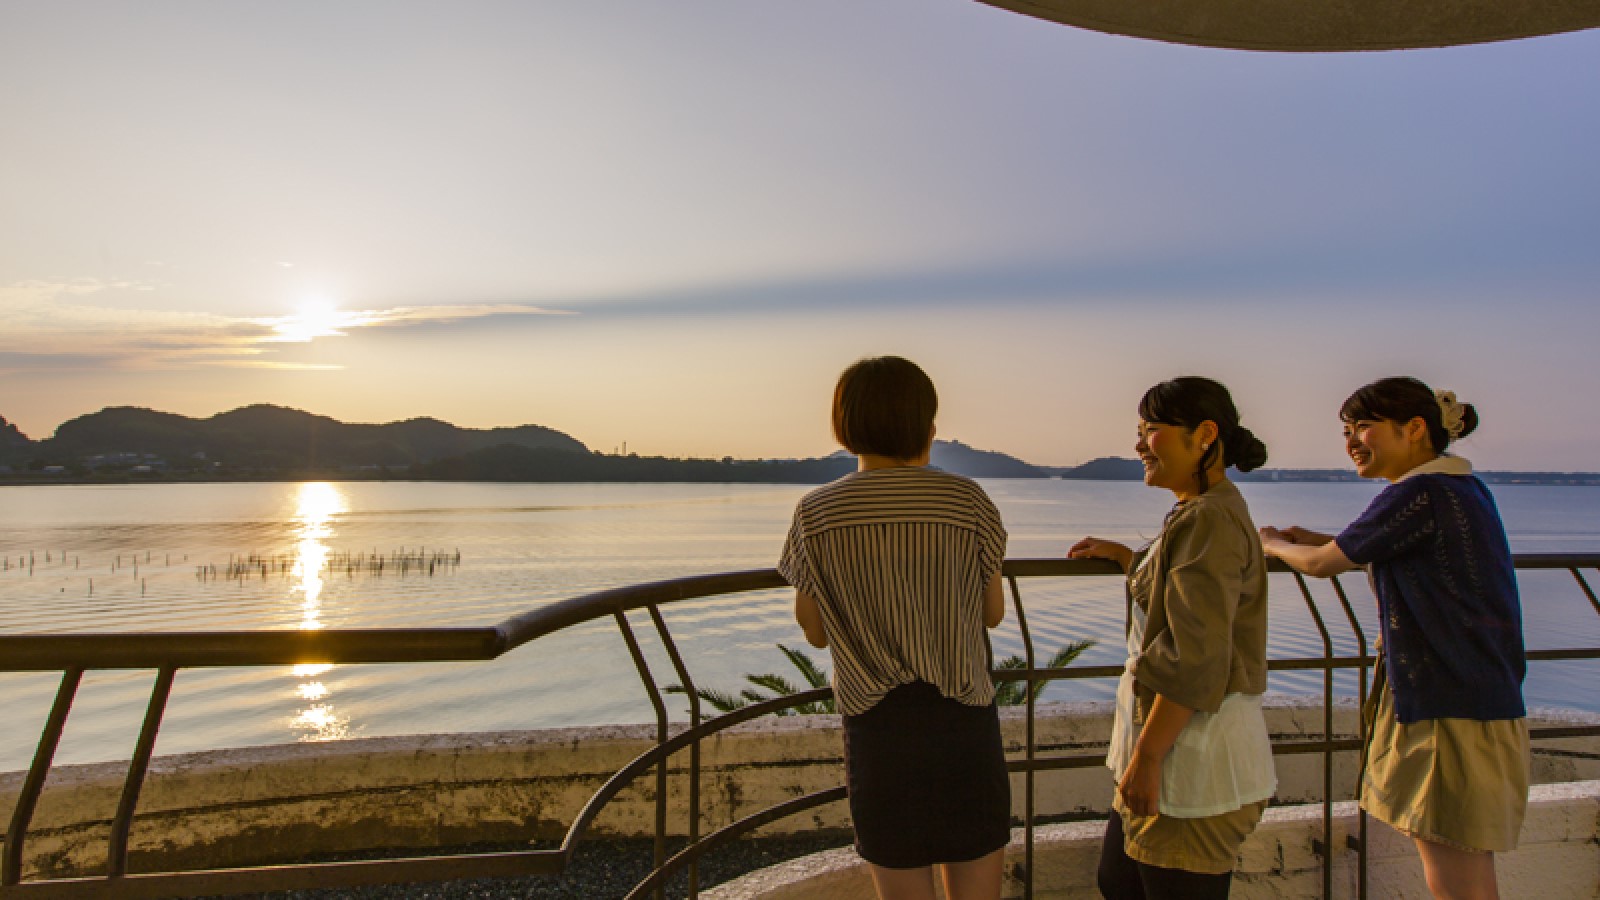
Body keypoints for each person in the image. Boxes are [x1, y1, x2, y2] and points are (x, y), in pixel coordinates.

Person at [1259, 377, 1527, 900]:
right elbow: (1382, 549)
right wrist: (1324, 539)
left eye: (1364, 426)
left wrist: (1271, 543)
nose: (1352, 440)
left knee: (1455, 873)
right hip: (1479, 699)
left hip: (1448, 709)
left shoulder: (1419, 491)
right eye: (1346, 429)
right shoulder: (1462, 487)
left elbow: (1320, 564)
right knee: (1465, 864)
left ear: (1415, 429)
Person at [777, 356, 1010, 900]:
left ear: (844, 427)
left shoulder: (816, 511)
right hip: (963, 726)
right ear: (927, 427)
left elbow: (813, 631)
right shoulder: (966, 500)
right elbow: (991, 613)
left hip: (879, 733)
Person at [1068, 377, 1275, 900]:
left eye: (1152, 430)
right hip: (1177, 758)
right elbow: (1180, 596)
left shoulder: (1210, 519)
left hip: (1191, 767)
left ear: (1204, 435)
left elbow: (1194, 655)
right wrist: (1126, 557)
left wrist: (1149, 758)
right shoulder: (1202, 512)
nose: (1139, 444)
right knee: (1118, 882)